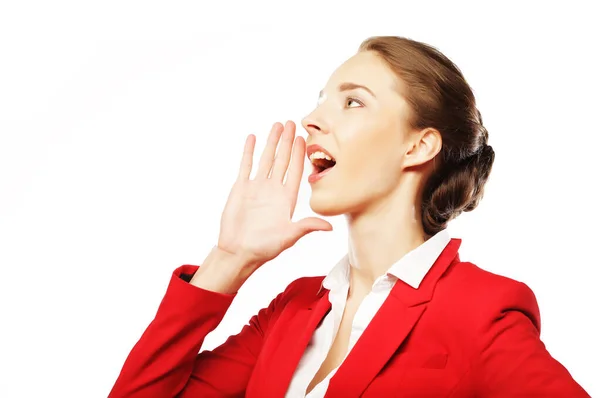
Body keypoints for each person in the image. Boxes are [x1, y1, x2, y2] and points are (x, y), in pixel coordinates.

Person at [108, 36, 589, 397]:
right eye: (320, 98)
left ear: (418, 145)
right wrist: (229, 258)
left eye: (353, 101)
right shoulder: (292, 310)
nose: (312, 119)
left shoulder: (481, 310)